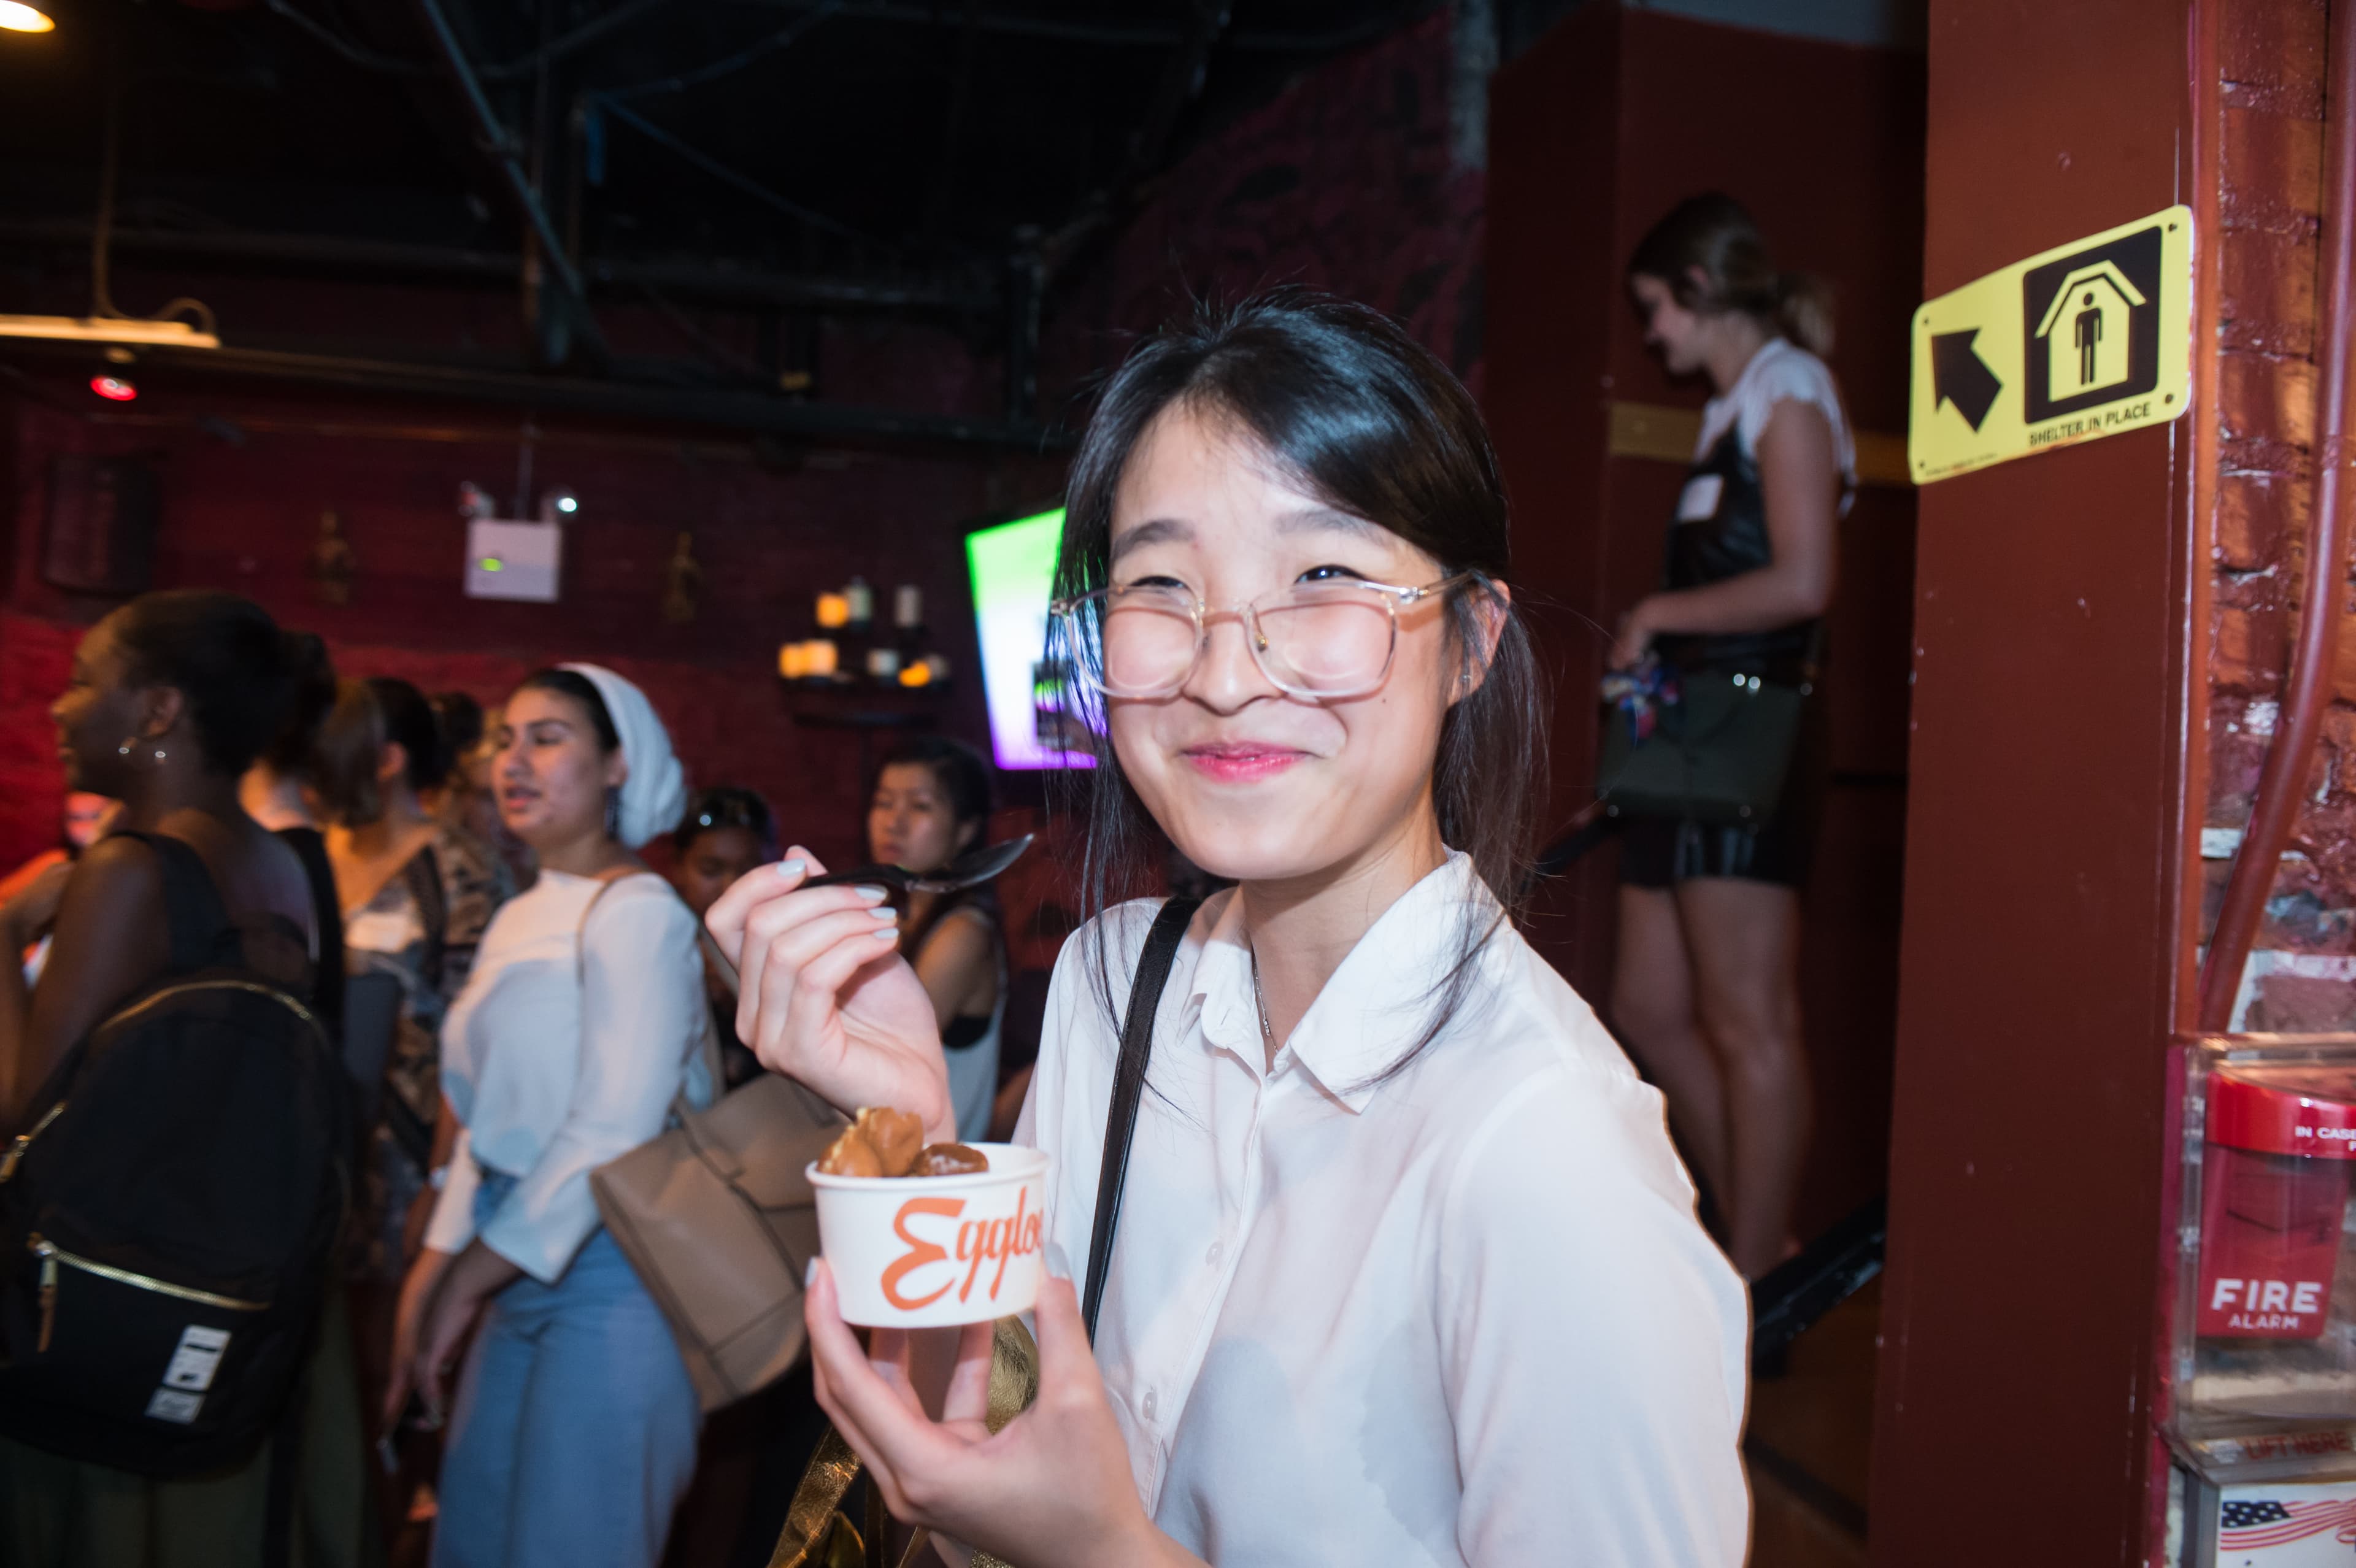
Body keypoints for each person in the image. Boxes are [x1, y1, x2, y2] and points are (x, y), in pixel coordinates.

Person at [708, 294, 1747, 1565]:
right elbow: (982, 1454)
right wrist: (920, 1136)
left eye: (1321, 576)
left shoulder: (1547, 1156)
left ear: (1471, 640)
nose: (1224, 669)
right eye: (1160, 585)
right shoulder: (1106, 987)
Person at [0, 589, 369, 1567]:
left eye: (86, 681)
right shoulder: (288, 865)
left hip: (105, 1305)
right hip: (235, 1295)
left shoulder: (129, 868)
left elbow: (25, 1123)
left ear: (159, 712)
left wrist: (0, 936)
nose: (62, 705)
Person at [388, 664, 706, 1568]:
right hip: (509, 1254)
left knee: (579, 1548)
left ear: (616, 766)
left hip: (618, 1277)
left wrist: (463, 1278)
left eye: (549, 736)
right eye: (505, 738)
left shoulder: (639, 913)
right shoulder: (517, 914)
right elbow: (479, 1122)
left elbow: (615, 1128)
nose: (514, 761)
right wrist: (437, 1266)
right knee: (474, 1543)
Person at [1609, 193, 1853, 1280]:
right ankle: (1756, 1245)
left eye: (1655, 309)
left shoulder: (1791, 389)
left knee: (1749, 1018)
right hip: (1686, 735)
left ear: (1699, 293)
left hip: (1756, 727)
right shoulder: (1727, 410)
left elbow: (1805, 581)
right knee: (1650, 1010)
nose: (1652, 334)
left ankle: (1762, 1282)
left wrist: (1656, 615)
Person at [866, 736, 1003, 1142]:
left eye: (920, 806)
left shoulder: (963, 933)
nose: (894, 822)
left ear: (966, 830)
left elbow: (888, 1050)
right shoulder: (890, 913)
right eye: (884, 802)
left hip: (935, 1163)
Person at [669, 786, 779, 1090]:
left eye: (748, 870)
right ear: (678, 869)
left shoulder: (791, 948)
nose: (731, 886)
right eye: (711, 870)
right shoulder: (661, 947)